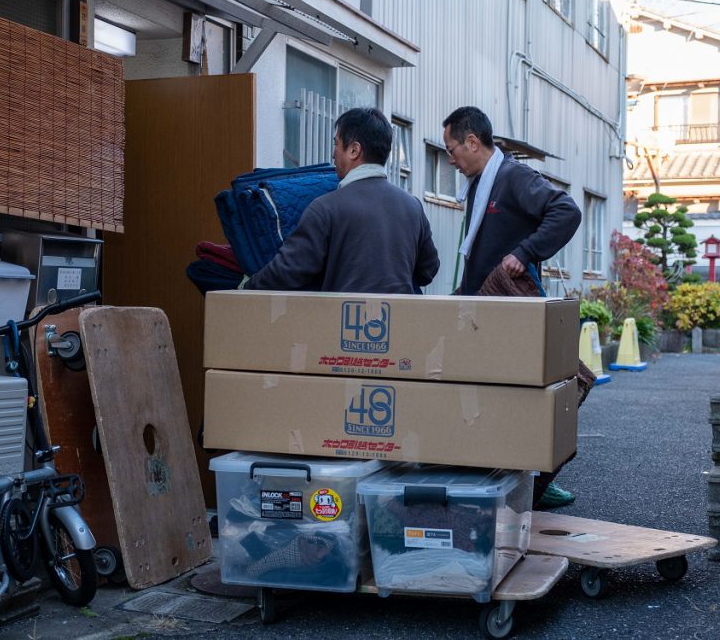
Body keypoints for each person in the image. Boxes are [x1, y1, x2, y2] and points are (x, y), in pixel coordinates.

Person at [442, 106, 582, 509]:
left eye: (453, 149)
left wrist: (525, 252)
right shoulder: (481, 184)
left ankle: (539, 481)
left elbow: (566, 211)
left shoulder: (513, 178)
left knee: (535, 398)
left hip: (515, 311)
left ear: (473, 142)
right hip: (486, 312)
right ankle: (514, 483)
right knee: (497, 403)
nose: (450, 159)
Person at [248, 108, 439, 293]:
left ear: (354, 150)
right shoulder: (413, 207)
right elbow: (428, 271)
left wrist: (245, 287)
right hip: (400, 321)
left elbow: (288, 271)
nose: (333, 153)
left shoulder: (325, 208)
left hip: (345, 322)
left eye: (336, 144)